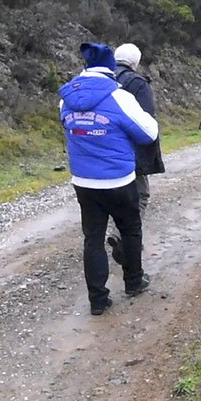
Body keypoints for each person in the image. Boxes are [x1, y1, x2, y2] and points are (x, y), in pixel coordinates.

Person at [59, 42, 156, 316]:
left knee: (92, 238)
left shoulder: (66, 97)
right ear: (110, 67)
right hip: (119, 179)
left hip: (84, 182)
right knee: (130, 229)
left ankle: (98, 299)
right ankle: (134, 281)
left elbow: (67, 125)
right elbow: (148, 132)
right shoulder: (119, 96)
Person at [114, 42, 165, 222]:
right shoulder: (136, 83)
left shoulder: (103, 80)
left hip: (104, 149)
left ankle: (113, 233)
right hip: (131, 150)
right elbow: (146, 121)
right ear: (135, 63)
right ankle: (123, 238)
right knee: (140, 194)